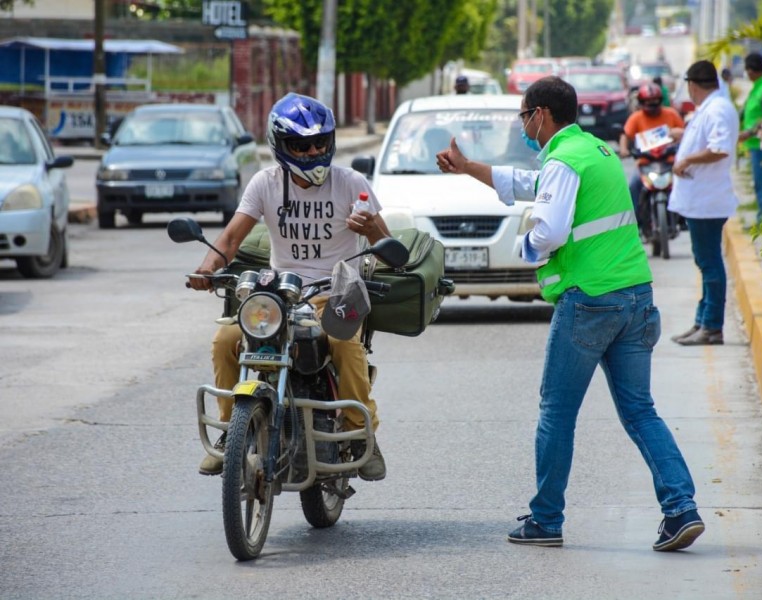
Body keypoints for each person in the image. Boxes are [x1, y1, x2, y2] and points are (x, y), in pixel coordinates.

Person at [435, 76, 704, 552]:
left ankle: (545, 520)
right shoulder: (594, 152)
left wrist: (526, 244)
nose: (523, 125)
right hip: (635, 297)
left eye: (523, 116)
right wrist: (467, 167)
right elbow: (527, 184)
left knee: (556, 414)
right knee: (641, 411)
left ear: (540, 114)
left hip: (590, 302)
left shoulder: (562, 159)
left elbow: (550, 228)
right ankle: (681, 509)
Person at [189, 93, 393, 480]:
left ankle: (359, 432)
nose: (313, 151)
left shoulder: (351, 183)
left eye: (320, 143)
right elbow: (230, 240)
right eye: (301, 145)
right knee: (224, 341)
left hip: (336, 292)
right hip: (280, 295)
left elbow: (385, 248)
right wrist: (206, 268)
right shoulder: (265, 183)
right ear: (281, 146)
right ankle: (231, 432)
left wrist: (372, 230)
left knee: (346, 346)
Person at [668, 60, 739, 347]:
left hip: (707, 200)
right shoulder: (711, 108)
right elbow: (707, 139)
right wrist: (683, 138)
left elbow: (720, 149)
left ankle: (711, 326)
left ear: (693, 85)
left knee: (709, 263)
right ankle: (702, 321)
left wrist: (686, 159)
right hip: (700, 198)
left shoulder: (718, 108)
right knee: (705, 261)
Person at [619, 83, 685, 237]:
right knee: (634, 186)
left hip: (668, 162)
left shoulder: (671, 114)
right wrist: (624, 149)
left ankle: (684, 217)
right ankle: (635, 223)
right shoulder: (636, 118)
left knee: (684, 183)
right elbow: (625, 135)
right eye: (648, 103)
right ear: (641, 104)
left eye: (655, 102)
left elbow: (685, 132)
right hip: (645, 164)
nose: (652, 106)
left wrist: (678, 135)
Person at [738, 52, 762, 223]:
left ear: (752, 70)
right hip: (755, 144)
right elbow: (747, 111)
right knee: (760, 183)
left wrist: (750, 132)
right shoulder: (758, 86)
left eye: (747, 71)